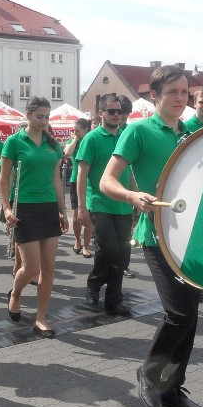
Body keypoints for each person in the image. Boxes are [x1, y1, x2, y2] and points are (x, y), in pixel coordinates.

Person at [101, 65, 203, 407]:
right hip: (156, 235)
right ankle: (149, 374)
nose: (180, 98)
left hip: (191, 237)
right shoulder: (138, 132)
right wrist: (132, 196)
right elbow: (106, 181)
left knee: (190, 317)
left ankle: (172, 387)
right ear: (154, 96)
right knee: (179, 313)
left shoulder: (191, 132)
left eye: (184, 92)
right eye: (173, 92)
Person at [0, 96, 68, 338]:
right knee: (31, 268)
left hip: (48, 207)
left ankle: (41, 317)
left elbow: (56, 180)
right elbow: (4, 179)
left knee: (48, 267)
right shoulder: (14, 142)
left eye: (47, 117)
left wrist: (63, 210)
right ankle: (16, 294)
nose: (44, 121)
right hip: (25, 209)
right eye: (40, 116)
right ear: (27, 115)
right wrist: (7, 208)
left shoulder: (53, 145)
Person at [77, 94, 133, 315]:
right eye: (111, 111)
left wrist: (136, 196)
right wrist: (81, 207)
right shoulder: (91, 139)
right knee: (108, 248)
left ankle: (114, 299)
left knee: (123, 253)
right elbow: (81, 176)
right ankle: (93, 288)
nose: (116, 115)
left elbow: (129, 172)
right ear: (101, 113)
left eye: (119, 111)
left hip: (124, 205)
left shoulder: (126, 137)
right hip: (100, 203)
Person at [63, 118, 93, 258]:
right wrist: (75, 138)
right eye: (73, 130)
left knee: (89, 215)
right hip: (76, 180)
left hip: (90, 181)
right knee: (76, 215)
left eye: (77, 130)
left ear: (86, 130)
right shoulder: (73, 142)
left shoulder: (91, 140)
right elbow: (67, 153)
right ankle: (77, 240)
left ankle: (86, 246)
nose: (74, 132)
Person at [116, 94, 138, 280]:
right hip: (110, 190)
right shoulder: (112, 131)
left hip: (128, 188)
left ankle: (124, 265)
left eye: (126, 114)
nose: (124, 118)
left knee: (126, 234)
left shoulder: (129, 130)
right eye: (122, 113)